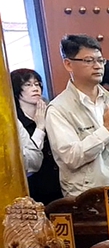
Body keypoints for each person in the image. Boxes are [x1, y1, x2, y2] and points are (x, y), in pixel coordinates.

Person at [46, 34, 109, 197]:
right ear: (68, 64)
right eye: (89, 61)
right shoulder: (58, 108)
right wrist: (107, 130)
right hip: (87, 198)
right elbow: (71, 157)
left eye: (100, 60)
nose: (97, 66)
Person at [11, 68, 62, 205]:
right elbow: (29, 158)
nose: (35, 88)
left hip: (58, 181)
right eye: (28, 85)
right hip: (34, 186)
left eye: (37, 84)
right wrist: (40, 127)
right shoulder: (15, 122)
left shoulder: (51, 112)